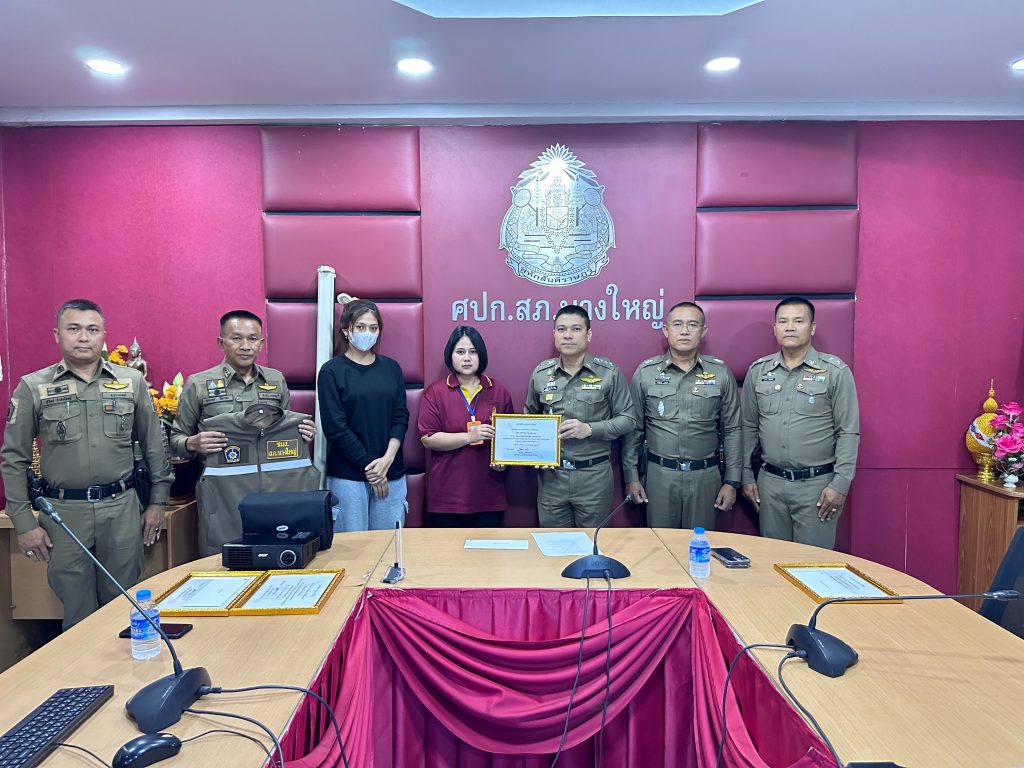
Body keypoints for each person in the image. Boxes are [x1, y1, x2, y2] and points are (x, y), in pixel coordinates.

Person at [0, 299, 173, 630]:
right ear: (57, 335)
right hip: (65, 514)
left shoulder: (131, 381)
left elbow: (154, 445)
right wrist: (23, 523)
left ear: (103, 335)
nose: (83, 337)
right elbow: (13, 459)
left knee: (124, 605)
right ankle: (82, 665)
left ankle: (127, 663)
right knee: (77, 611)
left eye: (92, 330)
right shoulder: (34, 387)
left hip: (121, 509)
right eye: (74, 329)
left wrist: (157, 503)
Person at [170, 310, 315, 554]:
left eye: (253, 338)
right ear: (221, 343)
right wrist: (193, 443)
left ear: (261, 343)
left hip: (274, 493)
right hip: (222, 494)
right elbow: (175, 439)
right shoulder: (199, 384)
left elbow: (285, 431)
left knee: (276, 556)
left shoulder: (276, 380)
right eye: (236, 338)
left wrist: (303, 433)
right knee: (223, 561)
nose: (246, 346)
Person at [740, 297, 860, 548]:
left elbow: (848, 432)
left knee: (812, 564)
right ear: (775, 328)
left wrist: (840, 485)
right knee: (772, 560)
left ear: (812, 327)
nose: (790, 327)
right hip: (769, 485)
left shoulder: (835, 371)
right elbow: (748, 427)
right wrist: (747, 476)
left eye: (798, 321)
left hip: (817, 487)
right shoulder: (759, 371)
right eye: (783, 321)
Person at [622, 301, 741, 530]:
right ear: (666, 330)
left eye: (692, 325)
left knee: (699, 545)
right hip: (659, 477)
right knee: (660, 545)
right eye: (677, 324)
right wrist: (631, 477)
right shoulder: (646, 373)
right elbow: (633, 429)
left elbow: (733, 429)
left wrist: (732, 481)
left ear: (703, 331)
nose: (684, 331)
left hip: (705, 478)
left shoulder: (720, 372)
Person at [524, 304, 635, 528]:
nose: (568, 335)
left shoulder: (609, 373)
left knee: (591, 545)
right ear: (554, 334)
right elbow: (530, 420)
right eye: (561, 329)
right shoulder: (541, 374)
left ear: (588, 334)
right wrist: (535, 454)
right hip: (552, 478)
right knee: (553, 544)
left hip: (593, 476)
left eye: (576, 329)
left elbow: (628, 419)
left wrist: (589, 429)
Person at [318, 299, 408, 531]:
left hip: (391, 472)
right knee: (353, 546)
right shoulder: (331, 371)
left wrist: (387, 460)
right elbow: (335, 428)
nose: (367, 333)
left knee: (389, 546)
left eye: (373, 328)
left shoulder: (392, 368)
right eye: (360, 327)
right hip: (349, 476)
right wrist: (372, 468)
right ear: (346, 330)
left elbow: (400, 416)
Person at [419, 326, 515, 527]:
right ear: (450, 355)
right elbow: (428, 439)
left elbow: (510, 440)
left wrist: (504, 462)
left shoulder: (498, 390)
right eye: (460, 352)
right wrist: (469, 437)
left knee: (488, 548)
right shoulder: (435, 392)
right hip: (447, 498)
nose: (467, 358)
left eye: (473, 352)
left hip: (489, 496)